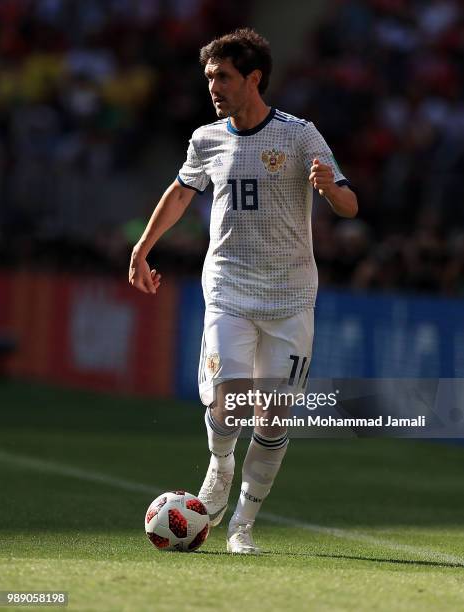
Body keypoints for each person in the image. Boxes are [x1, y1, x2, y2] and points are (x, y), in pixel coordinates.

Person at [129, 28, 358, 554]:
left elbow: (348, 203)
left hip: (290, 298)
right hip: (229, 290)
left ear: (253, 78)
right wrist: (142, 248)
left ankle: (242, 526)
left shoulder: (300, 136)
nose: (213, 86)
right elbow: (182, 192)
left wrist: (329, 188)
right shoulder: (206, 139)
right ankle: (220, 464)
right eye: (209, 77)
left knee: (273, 417)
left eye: (223, 77)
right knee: (228, 406)